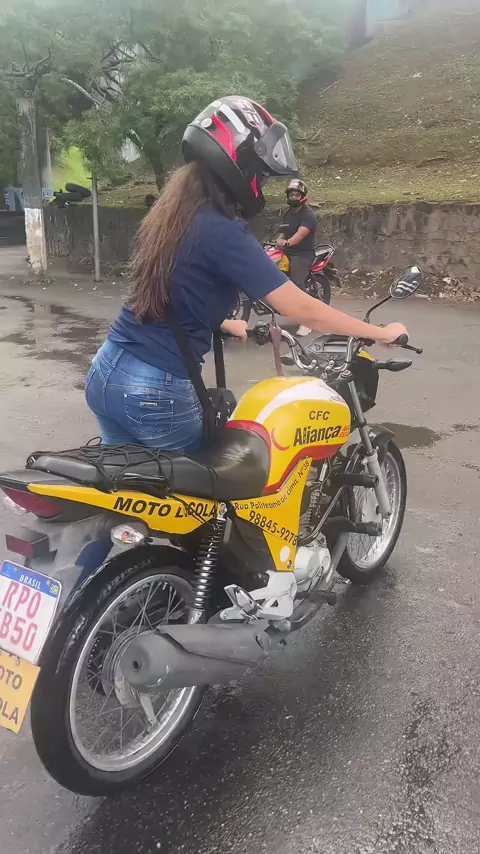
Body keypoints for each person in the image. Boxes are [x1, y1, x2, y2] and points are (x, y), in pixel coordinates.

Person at [85, 95, 407, 453]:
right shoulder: (221, 229)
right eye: (263, 175)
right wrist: (380, 332)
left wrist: (223, 323)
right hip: (152, 389)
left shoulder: (174, 215)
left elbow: (173, 290)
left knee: (136, 481)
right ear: (241, 167)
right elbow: (301, 308)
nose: (263, 184)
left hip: (107, 370)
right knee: (217, 481)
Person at [277, 178, 317, 337]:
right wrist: (278, 241)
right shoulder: (288, 213)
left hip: (302, 253)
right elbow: (284, 232)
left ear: (303, 196)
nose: (293, 197)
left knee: (297, 284)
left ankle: (307, 322)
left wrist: (287, 242)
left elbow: (300, 235)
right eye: (291, 194)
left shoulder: (308, 215)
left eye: (297, 195)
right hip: (288, 251)